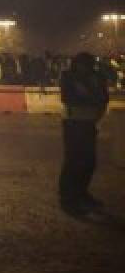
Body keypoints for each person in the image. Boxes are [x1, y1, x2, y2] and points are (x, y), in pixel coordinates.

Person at [57, 52, 109, 214]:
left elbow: (102, 98)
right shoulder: (69, 77)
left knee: (88, 162)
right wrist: (92, 96)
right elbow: (69, 98)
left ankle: (81, 193)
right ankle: (68, 198)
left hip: (88, 123)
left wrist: (91, 97)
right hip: (74, 123)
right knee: (74, 162)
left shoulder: (95, 77)